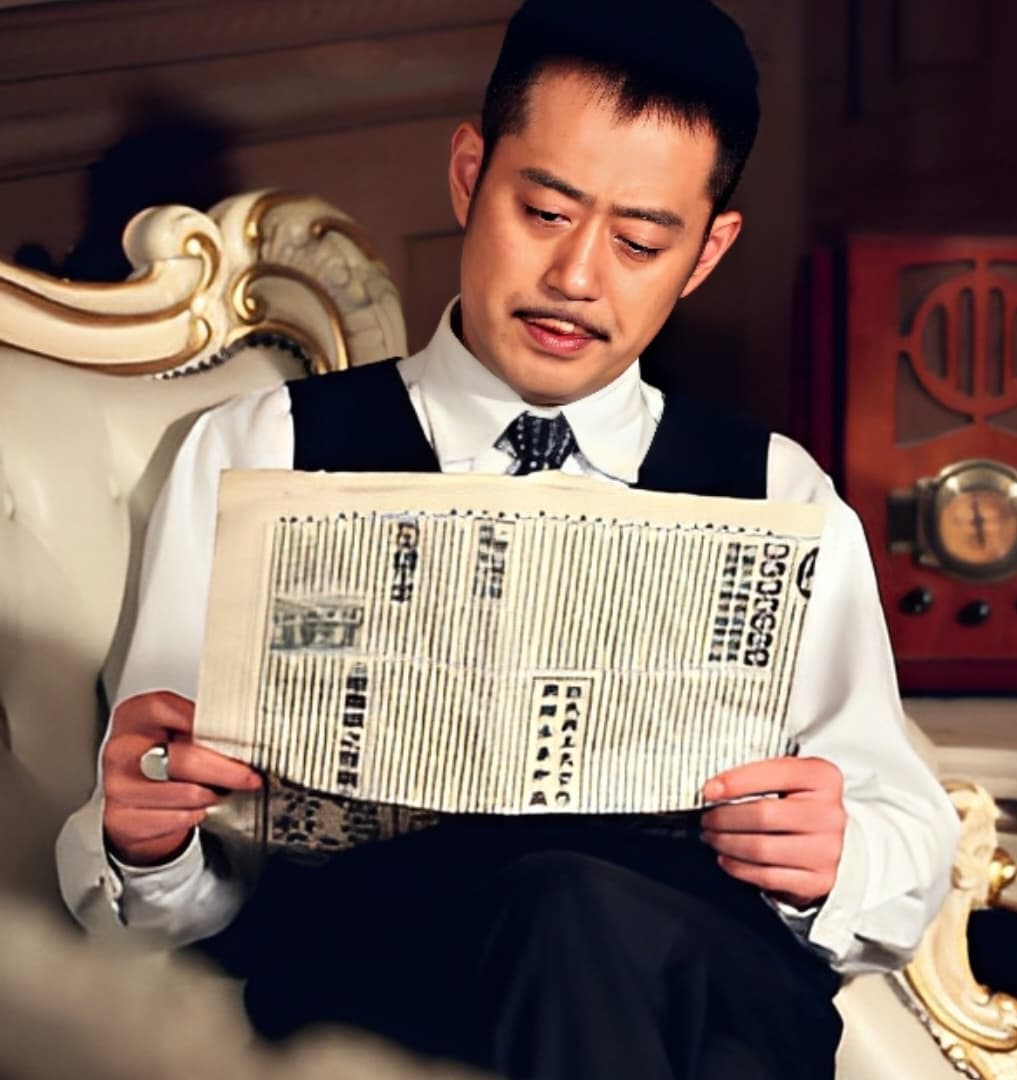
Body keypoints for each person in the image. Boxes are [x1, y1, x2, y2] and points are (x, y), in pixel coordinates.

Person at [51, 2, 958, 1077]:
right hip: (388, 963)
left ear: (707, 252)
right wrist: (145, 838)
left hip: (694, 974)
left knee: (585, 917)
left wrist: (836, 854)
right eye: (544, 212)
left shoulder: (778, 492)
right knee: (557, 910)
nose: (577, 277)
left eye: (640, 242)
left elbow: (904, 850)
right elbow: (162, 884)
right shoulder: (264, 452)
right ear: (469, 175)